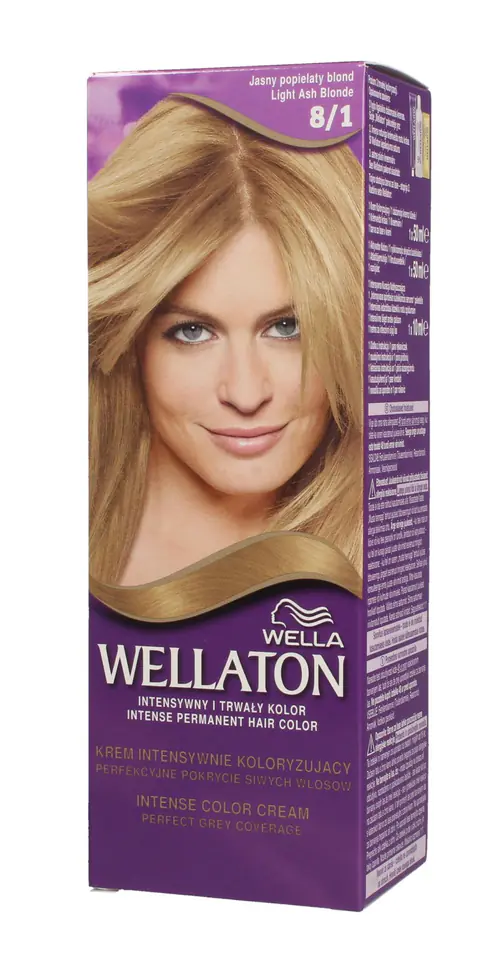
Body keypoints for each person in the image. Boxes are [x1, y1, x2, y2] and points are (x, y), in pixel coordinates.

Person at [89, 96, 363, 599]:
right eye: (193, 332)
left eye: (287, 328)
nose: (245, 392)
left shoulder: (370, 568)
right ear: (129, 341)